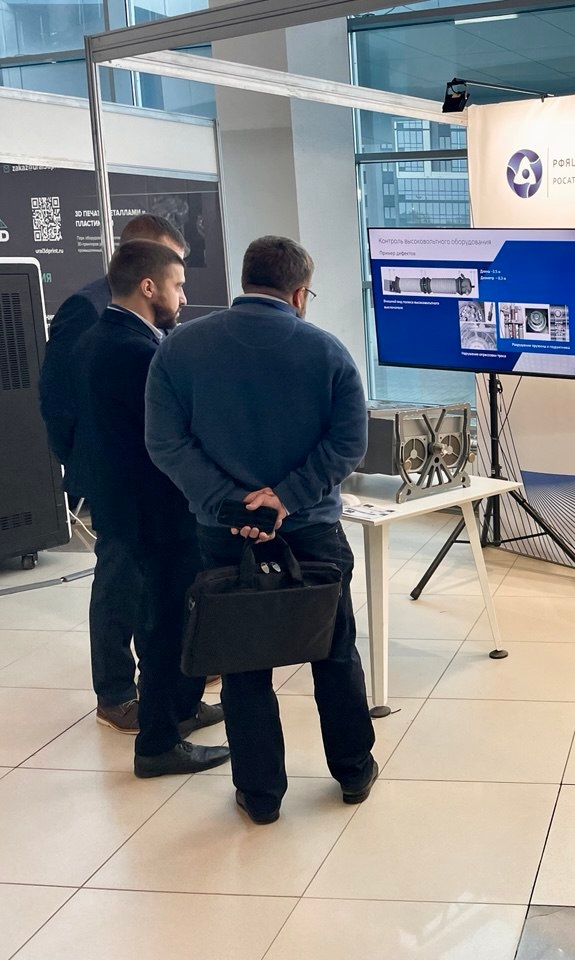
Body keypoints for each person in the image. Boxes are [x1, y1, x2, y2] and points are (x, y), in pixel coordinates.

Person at [146, 235, 377, 824]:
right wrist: (287, 499)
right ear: (299, 294)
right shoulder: (327, 352)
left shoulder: (180, 349)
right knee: (333, 651)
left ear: (245, 279)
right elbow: (349, 442)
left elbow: (165, 443)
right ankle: (353, 771)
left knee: (243, 663)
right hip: (313, 532)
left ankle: (261, 795)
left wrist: (232, 505)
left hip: (224, 536)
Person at [72, 240, 229, 777]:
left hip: (123, 503)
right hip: (154, 511)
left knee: (166, 616)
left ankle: (182, 707)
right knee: (166, 624)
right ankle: (160, 741)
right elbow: (170, 434)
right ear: (148, 286)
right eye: (178, 285)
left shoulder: (97, 338)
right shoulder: (138, 353)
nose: (183, 297)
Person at [38, 213, 191, 732]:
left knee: (150, 589)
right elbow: (58, 397)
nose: (182, 289)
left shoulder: (143, 324)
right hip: (114, 477)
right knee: (120, 587)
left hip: (138, 478)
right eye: (174, 274)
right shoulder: (88, 310)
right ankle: (117, 693)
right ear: (144, 269)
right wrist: (84, 466)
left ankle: (165, 690)